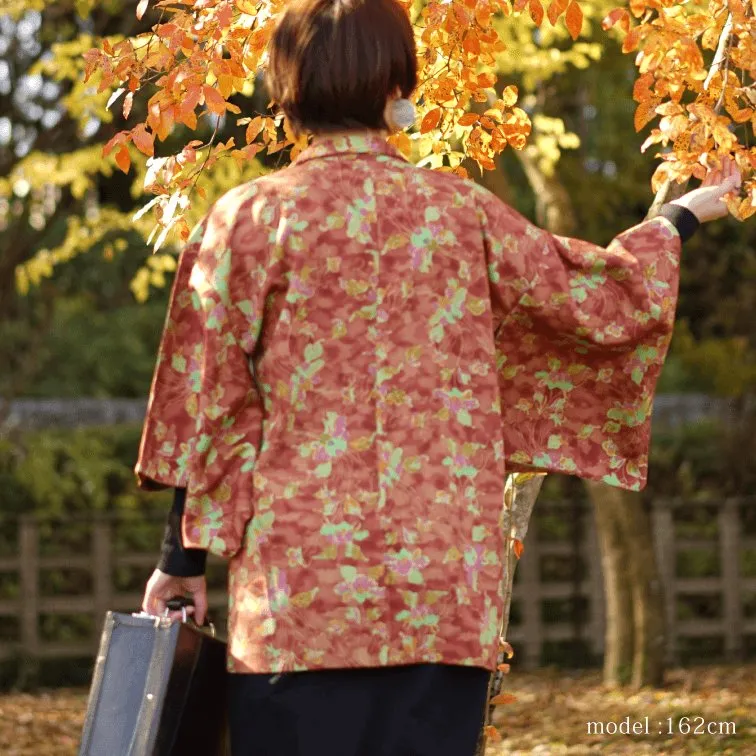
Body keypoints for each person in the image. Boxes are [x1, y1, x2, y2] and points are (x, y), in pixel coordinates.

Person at [138, 0, 742, 752]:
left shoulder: (248, 219)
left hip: (300, 603)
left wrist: (181, 563)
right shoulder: (460, 212)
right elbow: (593, 298)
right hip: (446, 597)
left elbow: (212, 411)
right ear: (397, 83)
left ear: (285, 83)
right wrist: (679, 218)